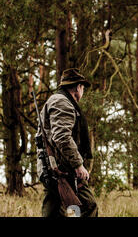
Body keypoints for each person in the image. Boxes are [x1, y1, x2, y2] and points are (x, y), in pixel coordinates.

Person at [37, 68, 98, 217]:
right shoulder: (63, 102)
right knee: (87, 206)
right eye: (82, 87)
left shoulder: (56, 100)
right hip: (62, 169)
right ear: (78, 87)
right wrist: (78, 164)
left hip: (52, 168)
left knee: (56, 211)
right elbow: (62, 137)